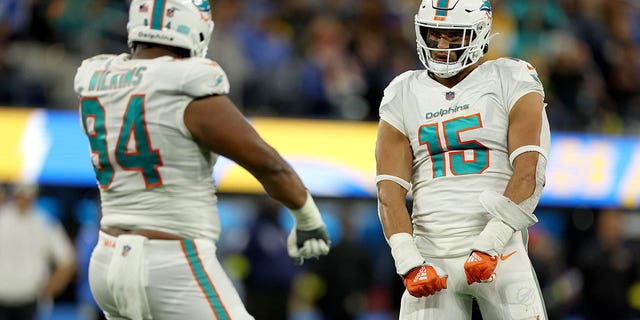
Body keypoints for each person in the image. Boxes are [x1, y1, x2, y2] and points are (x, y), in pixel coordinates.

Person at [72, 1, 331, 319]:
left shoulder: (97, 78)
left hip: (106, 257)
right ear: (194, 26)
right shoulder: (184, 83)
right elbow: (269, 165)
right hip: (171, 259)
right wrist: (307, 218)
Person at [375, 0, 550, 319]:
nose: (440, 44)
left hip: (501, 252)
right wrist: (409, 262)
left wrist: (490, 243)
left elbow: (530, 172)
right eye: (433, 33)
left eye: (453, 35)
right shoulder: (402, 92)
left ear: (479, 32)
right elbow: (389, 192)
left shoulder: (511, 76)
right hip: (430, 259)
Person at [0, 183, 76, 320]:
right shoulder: (3, 218)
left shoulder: (45, 222)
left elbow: (67, 261)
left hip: (30, 300)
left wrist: (49, 289)